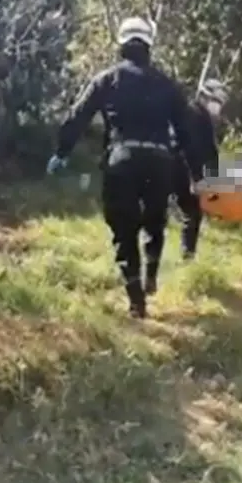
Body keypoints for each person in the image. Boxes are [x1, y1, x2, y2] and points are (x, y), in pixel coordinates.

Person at [47, 17, 199, 319]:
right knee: (155, 221)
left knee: (123, 229)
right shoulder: (167, 84)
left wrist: (62, 152)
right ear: (149, 46)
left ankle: (136, 301)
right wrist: (194, 172)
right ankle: (152, 271)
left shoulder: (107, 79)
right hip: (159, 162)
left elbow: (78, 115)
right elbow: (187, 131)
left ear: (121, 45)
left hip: (121, 160)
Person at [170, 78, 229, 260]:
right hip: (180, 170)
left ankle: (187, 256)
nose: (218, 107)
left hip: (191, 174)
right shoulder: (192, 115)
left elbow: (209, 152)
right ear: (204, 96)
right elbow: (189, 149)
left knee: (193, 214)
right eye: (216, 101)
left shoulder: (203, 117)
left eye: (220, 103)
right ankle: (187, 258)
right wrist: (193, 179)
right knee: (191, 214)